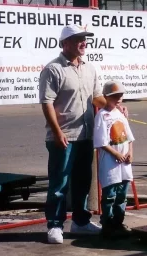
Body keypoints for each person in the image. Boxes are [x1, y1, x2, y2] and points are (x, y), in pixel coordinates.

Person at [38, 24, 127, 244]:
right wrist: (57, 132)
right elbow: (47, 103)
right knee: (60, 182)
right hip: (63, 136)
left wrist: (114, 107)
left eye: (85, 39)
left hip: (86, 135)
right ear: (65, 43)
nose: (83, 43)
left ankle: (80, 221)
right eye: (78, 39)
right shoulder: (53, 69)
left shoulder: (90, 68)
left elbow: (96, 97)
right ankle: (55, 225)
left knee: (82, 181)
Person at [93, 80, 134, 238]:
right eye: (114, 96)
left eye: (120, 95)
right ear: (105, 97)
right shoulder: (102, 116)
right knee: (109, 194)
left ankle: (118, 221)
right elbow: (101, 142)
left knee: (122, 194)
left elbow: (129, 137)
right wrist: (115, 154)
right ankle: (107, 224)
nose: (118, 98)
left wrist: (130, 152)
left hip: (124, 164)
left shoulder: (121, 114)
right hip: (110, 163)